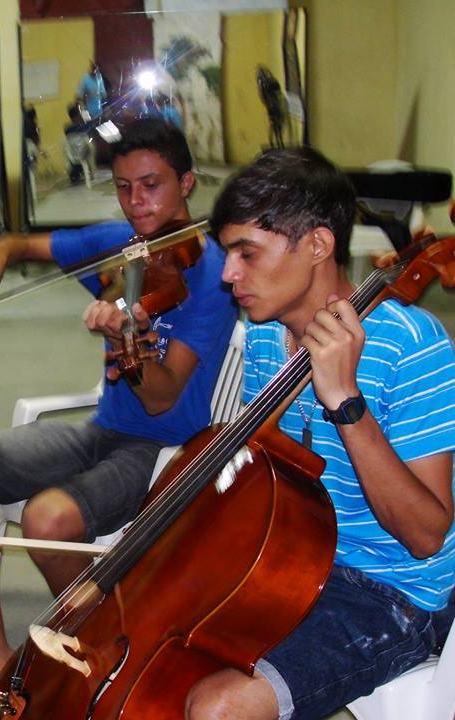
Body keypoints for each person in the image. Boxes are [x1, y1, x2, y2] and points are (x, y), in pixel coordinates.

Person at [0, 118, 237, 716]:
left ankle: (106, 646)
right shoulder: (120, 244)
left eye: (152, 186)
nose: (137, 203)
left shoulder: (213, 276)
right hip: (103, 431)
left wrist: (126, 341)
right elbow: (25, 243)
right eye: (123, 187)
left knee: (46, 520)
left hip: (165, 450)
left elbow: (162, 398)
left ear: (187, 183)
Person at [185, 147, 455, 719]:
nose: (229, 274)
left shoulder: (413, 346)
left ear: (317, 245)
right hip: (294, 557)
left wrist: (345, 402)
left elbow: (426, 536)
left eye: (246, 252)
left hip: (394, 590)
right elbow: (268, 471)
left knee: (218, 706)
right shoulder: (265, 332)